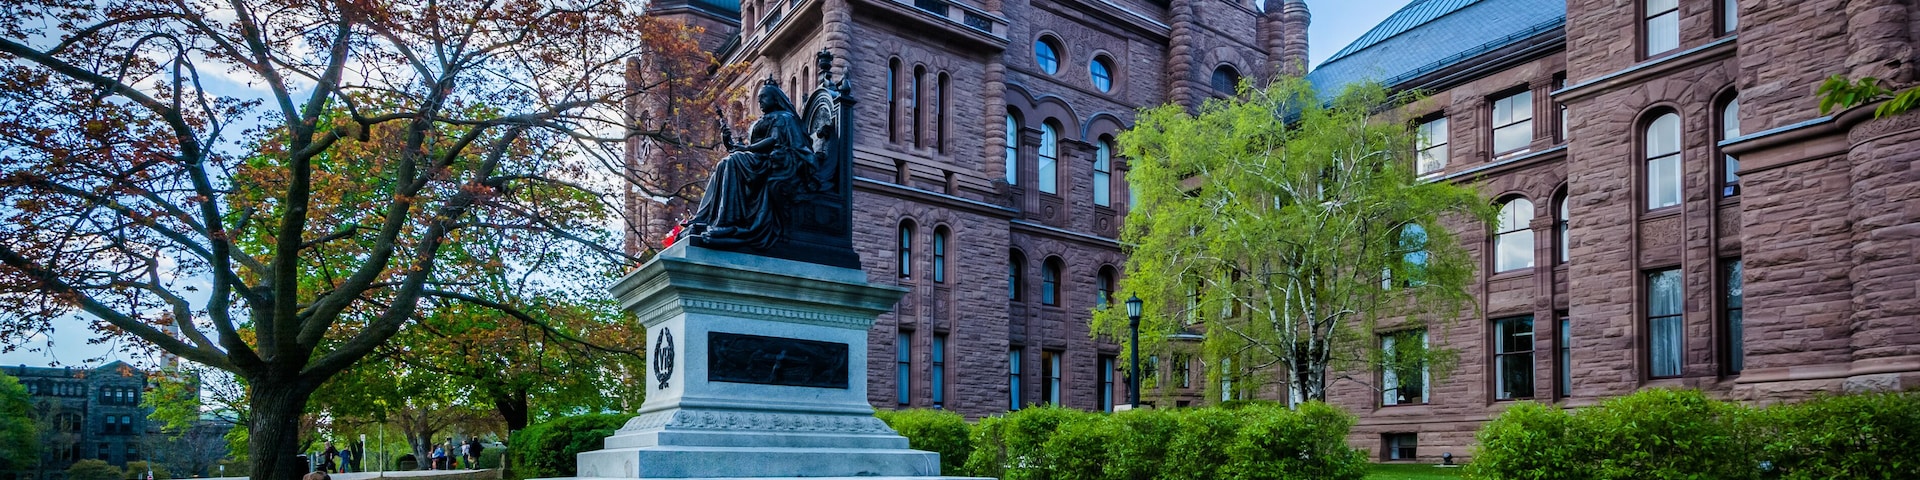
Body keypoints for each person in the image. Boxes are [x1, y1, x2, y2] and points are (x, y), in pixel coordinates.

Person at [681, 78, 811, 250]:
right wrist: (729, 143)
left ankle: (728, 222)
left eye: (764, 98)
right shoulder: (763, 120)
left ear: (775, 99)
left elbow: (773, 140)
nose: (760, 102)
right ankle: (703, 218)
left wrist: (746, 148)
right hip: (758, 159)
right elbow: (748, 147)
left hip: (775, 160)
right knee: (723, 164)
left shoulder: (783, 117)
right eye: (759, 99)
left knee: (733, 162)